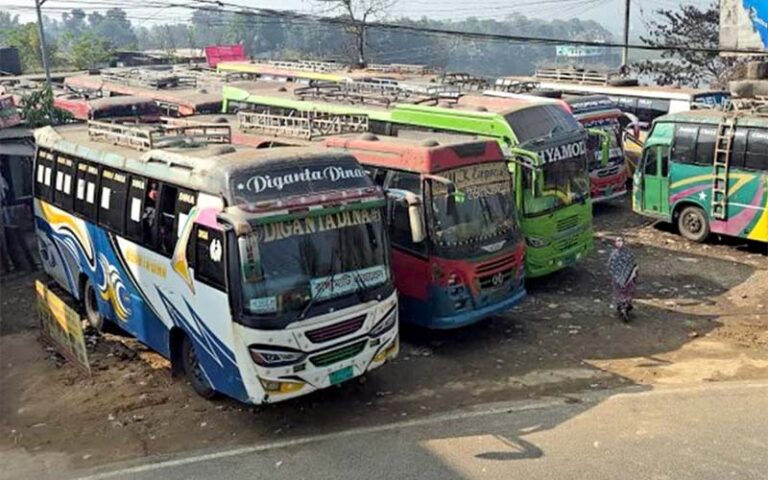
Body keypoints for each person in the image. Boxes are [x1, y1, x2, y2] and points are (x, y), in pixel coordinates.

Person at [607, 236, 638, 322]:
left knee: (620, 292)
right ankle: (625, 306)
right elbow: (634, 266)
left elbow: (610, 266)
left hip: (619, 279)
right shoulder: (629, 254)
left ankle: (622, 306)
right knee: (628, 291)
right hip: (628, 278)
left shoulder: (614, 255)